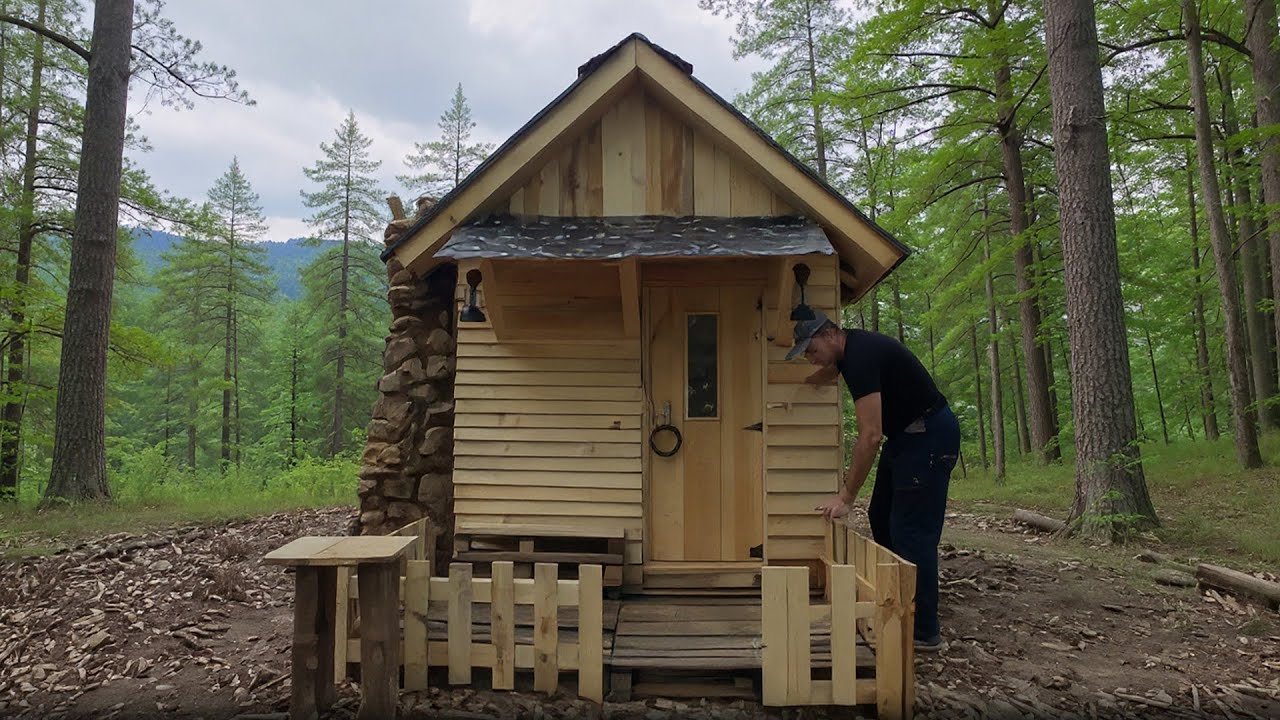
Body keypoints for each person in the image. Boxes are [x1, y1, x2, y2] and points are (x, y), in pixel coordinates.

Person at [785, 309, 959, 651]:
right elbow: (836, 376)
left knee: (911, 531)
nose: (810, 358)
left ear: (831, 334)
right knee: (881, 517)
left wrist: (846, 496)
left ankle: (923, 630)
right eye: (804, 354)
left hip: (927, 436)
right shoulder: (855, 353)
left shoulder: (861, 357)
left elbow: (870, 435)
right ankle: (898, 600)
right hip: (907, 438)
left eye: (811, 349)